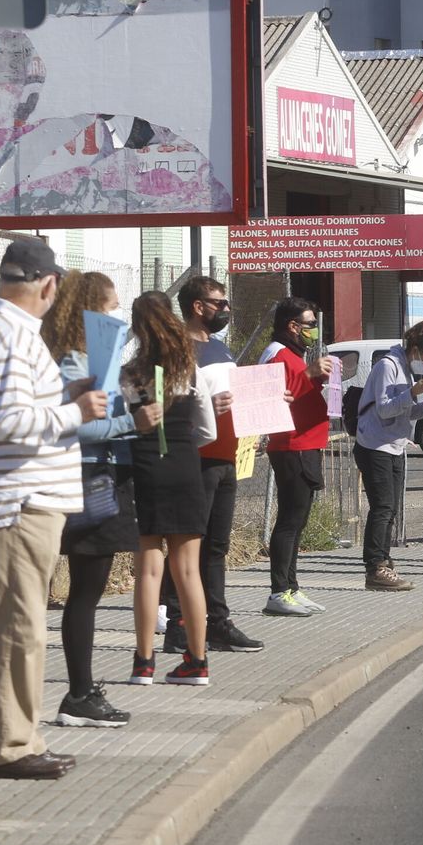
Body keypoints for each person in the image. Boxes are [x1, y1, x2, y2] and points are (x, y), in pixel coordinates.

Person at [0, 241, 106, 778]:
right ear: (48, 284)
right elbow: (9, 421)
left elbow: (12, 410)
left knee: (18, 626)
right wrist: (75, 411)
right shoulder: (9, 336)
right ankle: (11, 747)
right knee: (20, 628)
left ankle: (17, 739)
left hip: (13, 498)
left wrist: (64, 397)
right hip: (20, 501)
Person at [42, 272, 148, 727]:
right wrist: (131, 424)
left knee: (91, 588)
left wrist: (142, 395)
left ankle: (81, 692)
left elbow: (127, 407)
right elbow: (81, 426)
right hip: (90, 478)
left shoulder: (104, 362)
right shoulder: (72, 363)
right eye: (109, 307)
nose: (116, 315)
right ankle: (79, 694)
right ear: (88, 311)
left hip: (111, 475)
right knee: (85, 591)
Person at [157, 277, 263, 655]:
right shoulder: (176, 348)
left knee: (216, 547)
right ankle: (178, 624)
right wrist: (202, 409)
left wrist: (264, 407)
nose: (226, 310)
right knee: (188, 545)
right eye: (220, 303)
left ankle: (217, 622)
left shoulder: (219, 347)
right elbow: (162, 405)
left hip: (227, 458)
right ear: (198, 306)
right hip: (195, 459)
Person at [122, 291, 216, 688]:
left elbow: (123, 423)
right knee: (189, 570)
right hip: (185, 468)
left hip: (146, 470)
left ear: (138, 327)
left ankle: (143, 662)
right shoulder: (189, 369)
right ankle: (197, 660)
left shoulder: (131, 374)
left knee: (148, 568)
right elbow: (208, 429)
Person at [351, 319, 423, 591]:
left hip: (395, 445)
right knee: (382, 506)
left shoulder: (407, 369)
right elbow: (385, 409)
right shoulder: (388, 366)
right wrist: (412, 392)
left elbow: (409, 411)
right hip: (375, 445)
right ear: (414, 349)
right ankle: (375, 567)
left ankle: (384, 560)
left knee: (391, 509)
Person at [262, 297, 334, 617]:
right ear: (293, 326)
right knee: (289, 520)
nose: (314, 331)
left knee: (299, 519)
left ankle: (291, 586)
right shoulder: (276, 353)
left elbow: (299, 390)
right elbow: (270, 395)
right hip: (291, 446)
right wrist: (309, 374)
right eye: (310, 325)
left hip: (307, 443)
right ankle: (278, 591)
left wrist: (319, 379)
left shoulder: (293, 354)